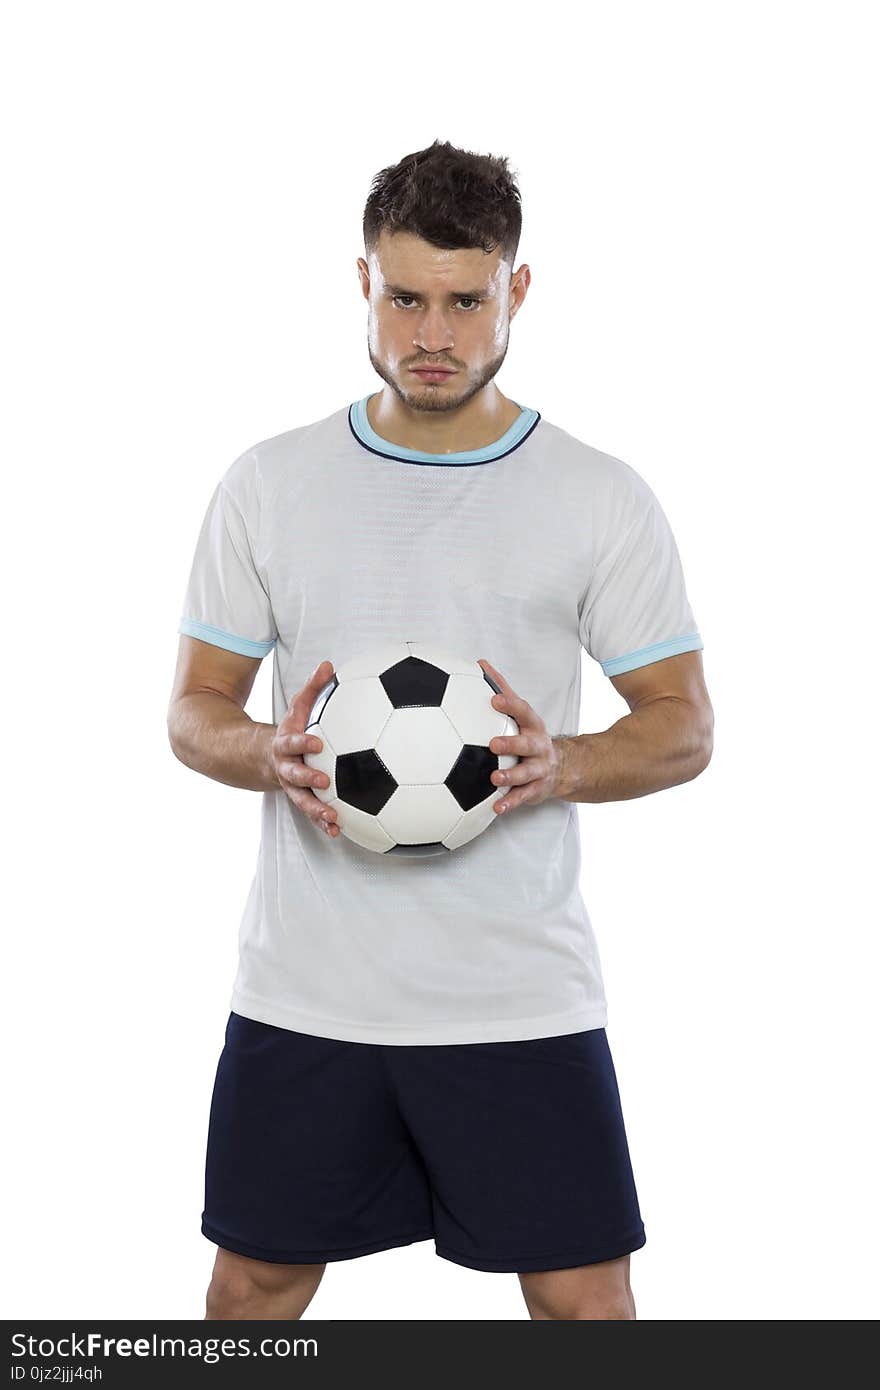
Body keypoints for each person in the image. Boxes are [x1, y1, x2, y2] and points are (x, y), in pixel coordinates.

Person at [167, 138, 714, 1322]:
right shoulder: (271, 482)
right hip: (308, 991)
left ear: (515, 292)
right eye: (404, 296)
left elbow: (681, 728)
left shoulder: (594, 494)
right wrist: (260, 748)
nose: (433, 332)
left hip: (517, 994)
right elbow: (193, 710)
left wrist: (559, 761)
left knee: (583, 1300)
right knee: (254, 1285)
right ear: (360, 282)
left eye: (466, 301)